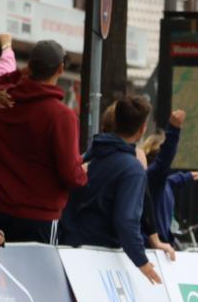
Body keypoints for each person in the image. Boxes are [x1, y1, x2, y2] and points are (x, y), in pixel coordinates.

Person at [0, 39, 86, 243]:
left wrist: (18, 73)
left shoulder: (6, 101)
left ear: (29, 66)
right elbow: (70, 173)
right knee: (38, 265)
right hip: (40, 216)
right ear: (61, 69)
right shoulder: (62, 115)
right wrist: (84, 173)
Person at [61, 95, 161, 284]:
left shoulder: (91, 155)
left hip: (70, 247)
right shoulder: (132, 169)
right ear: (142, 129)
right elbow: (126, 220)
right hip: (97, 256)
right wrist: (142, 261)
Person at [140, 109, 198, 244]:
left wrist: (186, 177)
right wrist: (174, 129)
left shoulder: (159, 182)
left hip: (160, 247)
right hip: (153, 248)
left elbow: (170, 182)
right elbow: (164, 161)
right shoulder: (152, 178)